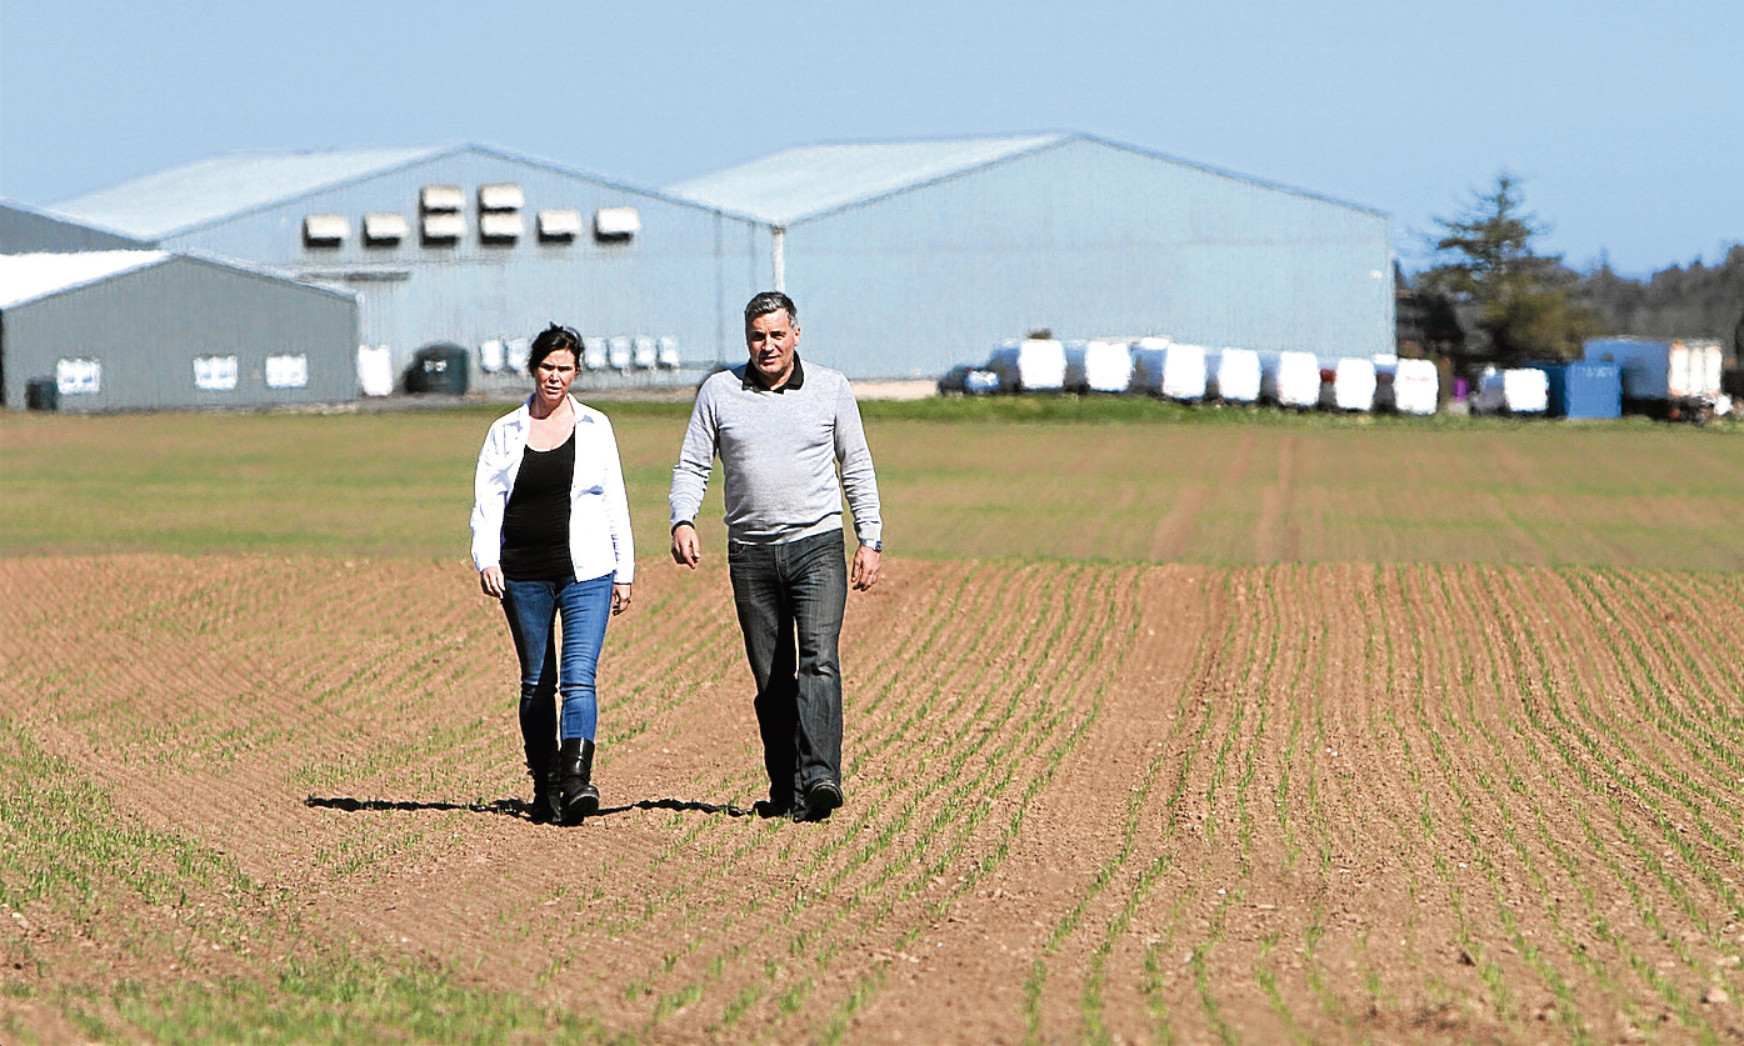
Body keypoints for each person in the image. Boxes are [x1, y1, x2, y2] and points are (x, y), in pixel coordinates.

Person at [669, 291, 882, 821]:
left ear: (796, 335)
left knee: (819, 660)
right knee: (771, 677)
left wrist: (870, 537)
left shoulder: (831, 388)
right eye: (758, 337)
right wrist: (683, 518)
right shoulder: (719, 391)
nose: (768, 346)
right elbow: (693, 465)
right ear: (748, 340)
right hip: (751, 554)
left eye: (777, 335)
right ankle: (785, 787)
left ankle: (820, 779)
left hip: (818, 548)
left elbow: (855, 464)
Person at [471, 324, 634, 824]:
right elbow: (487, 500)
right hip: (523, 572)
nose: (555, 377)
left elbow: (615, 499)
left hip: (587, 571)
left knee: (578, 678)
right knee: (537, 681)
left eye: (565, 368)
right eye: (547, 367)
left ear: (577, 372)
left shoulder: (595, 427)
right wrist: (487, 558)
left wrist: (624, 568)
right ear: (534, 369)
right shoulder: (505, 430)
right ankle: (545, 783)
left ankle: (577, 780)